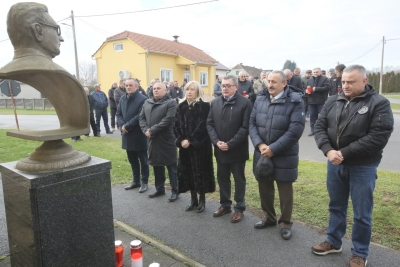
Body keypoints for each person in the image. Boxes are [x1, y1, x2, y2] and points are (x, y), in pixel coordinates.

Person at [312, 65, 394, 267]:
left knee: (362, 213)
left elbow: (377, 137)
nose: (345, 86)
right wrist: (328, 151)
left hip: (362, 167)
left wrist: (344, 153)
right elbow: (319, 127)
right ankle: (333, 241)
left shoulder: (379, 103)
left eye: (351, 82)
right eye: (343, 82)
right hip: (334, 163)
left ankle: (360, 252)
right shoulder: (333, 101)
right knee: (336, 206)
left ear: (364, 81)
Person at [249, 70, 305, 240]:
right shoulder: (260, 99)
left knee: (285, 192)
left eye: (274, 82)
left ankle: (285, 223)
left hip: (284, 154)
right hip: (263, 152)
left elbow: (295, 130)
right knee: (264, 187)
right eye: (268, 81)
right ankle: (269, 217)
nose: (270, 85)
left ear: (284, 83)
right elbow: (252, 123)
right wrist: (260, 144)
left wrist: (274, 148)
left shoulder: (295, 101)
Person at [206, 75, 252, 223]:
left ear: (236, 87)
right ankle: (225, 204)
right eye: (223, 85)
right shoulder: (215, 103)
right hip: (220, 149)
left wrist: (230, 144)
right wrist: (216, 141)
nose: (224, 88)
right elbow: (210, 124)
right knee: (222, 178)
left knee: (239, 180)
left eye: (228, 86)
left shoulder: (245, 103)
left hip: (237, 150)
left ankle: (239, 208)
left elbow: (245, 128)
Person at [173, 81, 215, 213]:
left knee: (200, 172)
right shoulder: (181, 106)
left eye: (192, 89)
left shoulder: (204, 106)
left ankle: (202, 200)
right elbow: (175, 125)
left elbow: (203, 126)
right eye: (187, 89)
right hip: (185, 147)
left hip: (200, 146)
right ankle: (193, 200)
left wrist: (190, 140)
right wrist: (181, 140)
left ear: (198, 91)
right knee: (188, 172)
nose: (189, 92)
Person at [139, 82, 179, 202]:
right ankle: (159, 188)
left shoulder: (171, 103)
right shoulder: (147, 102)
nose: (155, 90)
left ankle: (175, 190)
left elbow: (168, 119)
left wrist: (152, 130)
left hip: (167, 139)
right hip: (152, 140)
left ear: (165, 91)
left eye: (158, 88)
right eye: (154, 88)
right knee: (156, 165)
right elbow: (141, 118)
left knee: (171, 166)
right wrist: (146, 130)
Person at [117, 78, 149, 193]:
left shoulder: (143, 99)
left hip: (138, 135)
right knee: (132, 160)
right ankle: (136, 181)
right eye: (126, 85)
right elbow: (118, 113)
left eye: (131, 85)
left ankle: (144, 182)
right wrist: (122, 126)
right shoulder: (122, 98)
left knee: (143, 161)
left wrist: (127, 126)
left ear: (137, 86)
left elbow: (140, 116)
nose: (128, 87)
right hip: (127, 135)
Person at [306, 67, 330, 136]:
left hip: (321, 101)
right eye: (314, 72)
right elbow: (307, 88)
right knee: (313, 117)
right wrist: (307, 91)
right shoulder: (310, 80)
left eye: (317, 72)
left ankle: (324, 130)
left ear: (320, 72)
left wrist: (317, 89)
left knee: (323, 117)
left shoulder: (325, 79)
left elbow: (327, 88)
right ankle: (312, 130)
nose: (315, 73)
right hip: (312, 101)